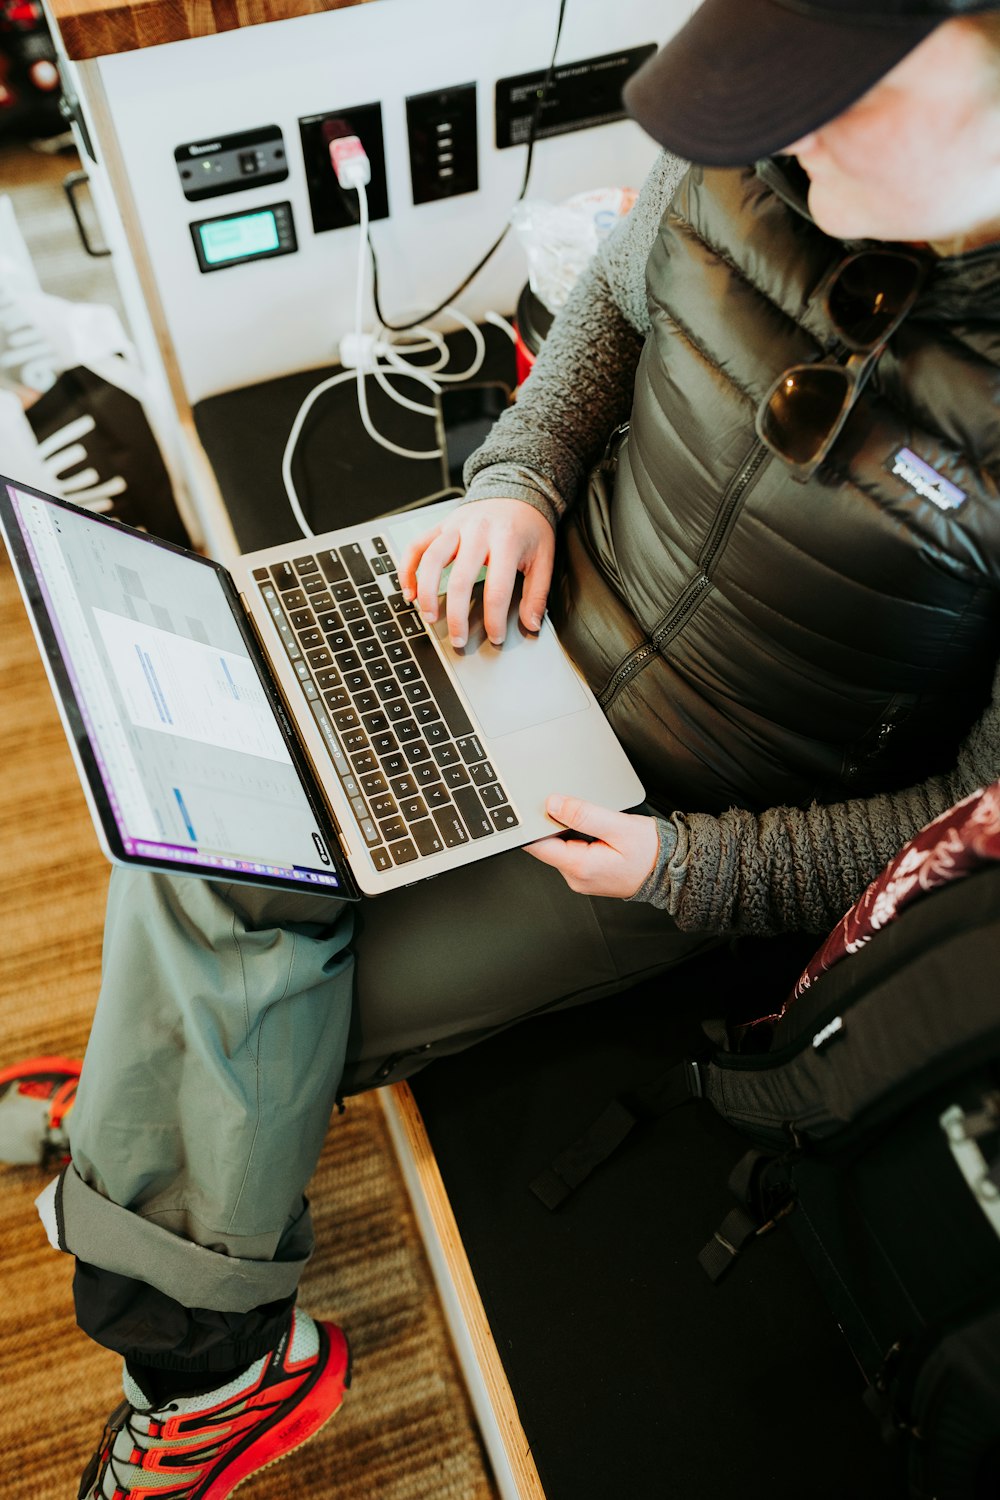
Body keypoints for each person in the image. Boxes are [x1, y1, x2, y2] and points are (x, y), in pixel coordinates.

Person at [40, 1, 1000, 1494]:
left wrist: (691, 869)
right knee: (198, 814)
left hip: (675, 817)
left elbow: (966, 820)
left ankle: (187, 1293)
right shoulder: (751, 157)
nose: (788, 140)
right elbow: (605, 321)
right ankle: (170, 1206)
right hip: (518, 618)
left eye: (836, 97)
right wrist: (515, 485)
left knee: (260, 990)